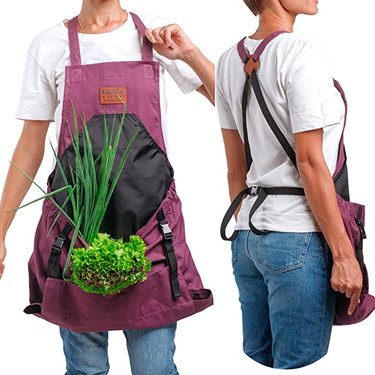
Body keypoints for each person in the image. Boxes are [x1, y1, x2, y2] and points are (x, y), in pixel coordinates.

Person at [0, 1, 214, 374]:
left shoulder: (156, 33)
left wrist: (189, 53)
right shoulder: (49, 44)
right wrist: (0, 230)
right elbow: (30, 145)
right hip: (75, 232)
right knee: (86, 370)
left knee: (155, 368)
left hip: (151, 231)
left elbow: (226, 100)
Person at [216, 0, 362, 369]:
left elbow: (236, 168)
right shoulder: (301, 51)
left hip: (247, 237)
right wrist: (344, 256)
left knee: (261, 362)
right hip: (297, 238)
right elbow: (310, 163)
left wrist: (247, 228)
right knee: (300, 365)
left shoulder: (227, 61)